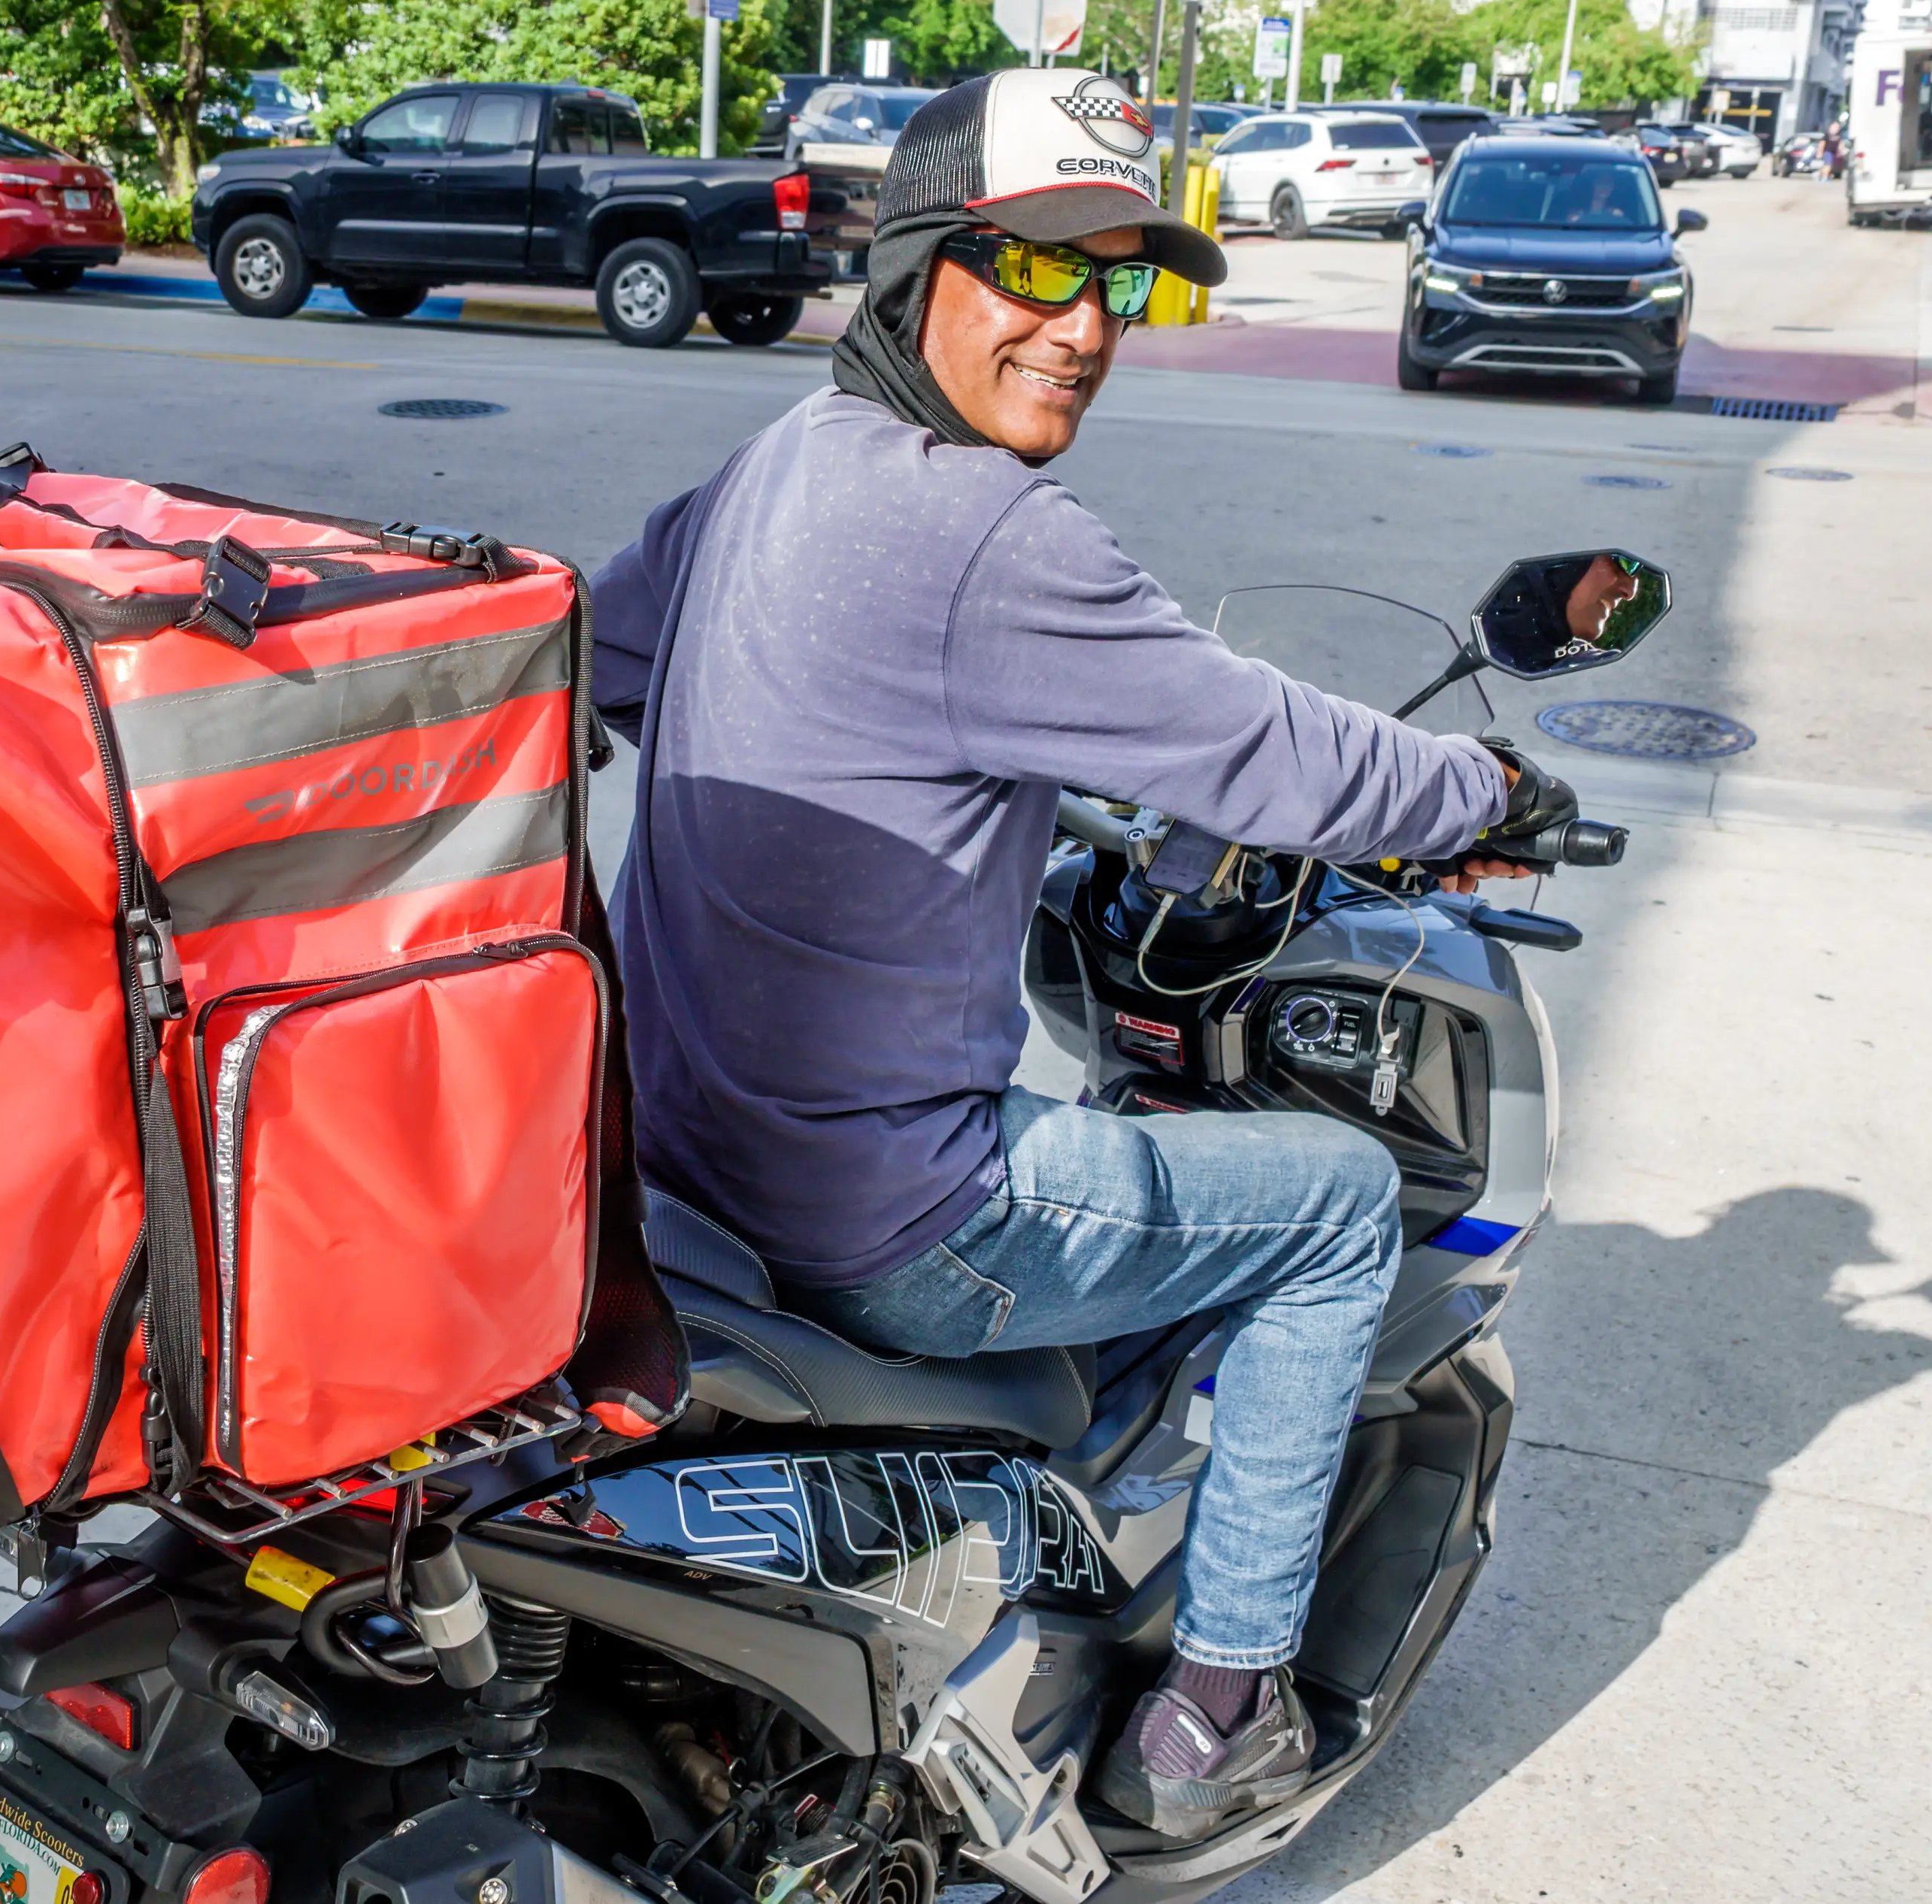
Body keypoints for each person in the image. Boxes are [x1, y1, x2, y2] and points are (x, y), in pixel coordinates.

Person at [589, 70, 1575, 1840]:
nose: (1084, 327)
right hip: (890, 1226)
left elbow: (601, 661)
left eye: (1118, 281)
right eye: (1034, 270)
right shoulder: (984, 535)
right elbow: (1285, 755)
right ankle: (1215, 1719)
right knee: (1339, 1203)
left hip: (682, 1166)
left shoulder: (769, 474)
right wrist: (1480, 785)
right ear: (912, 271)